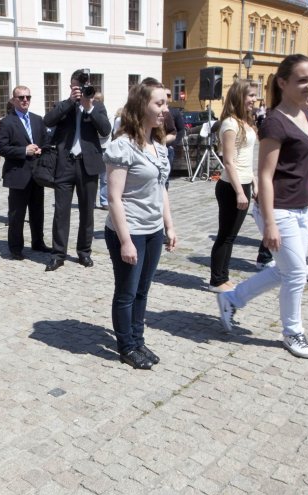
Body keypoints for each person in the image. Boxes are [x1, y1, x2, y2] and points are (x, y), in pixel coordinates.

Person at [217, 54, 308, 359]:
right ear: (283, 82)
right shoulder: (275, 121)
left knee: (287, 270)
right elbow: (264, 174)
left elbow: (304, 169)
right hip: (279, 209)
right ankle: (293, 332)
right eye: (302, 80)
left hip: (301, 207)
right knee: (296, 274)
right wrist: (271, 224)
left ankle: (232, 298)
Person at [102, 80, 177, 370]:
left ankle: (138, 338)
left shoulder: (157, 146)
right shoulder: (123, 146)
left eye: (165, 103)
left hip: (153, 229)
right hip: (129, 229)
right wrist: (125, 241)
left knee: (143, 291)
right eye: (159, 103)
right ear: (141, 105)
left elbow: (162, 189)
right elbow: (113, 197)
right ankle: (126, 346)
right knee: (127, 292)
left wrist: (169, 226)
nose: (165, 110)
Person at [43, 69, 112, 270]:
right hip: (65, 164)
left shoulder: (97, 106)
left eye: (83, 86)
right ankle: (58, 254)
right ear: (71, 86)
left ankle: (84, 252)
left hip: (88, 164)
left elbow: (106, 130)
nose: (80, 90)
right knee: (61, 212)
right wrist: (70, 102)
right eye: (76, 86)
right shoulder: (65, 105)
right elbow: (48, 120)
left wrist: (88, 107)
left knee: (87, 212)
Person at [208, 80, 259, 293]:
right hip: (231, 186)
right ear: (239, 97)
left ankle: (223, 276)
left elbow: (247, 158)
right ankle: (217, 280)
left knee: (231, 235)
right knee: (225, 234)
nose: (254, 100)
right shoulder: (230, 124)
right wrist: (240, 191)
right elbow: (229, 161)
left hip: (244, 182)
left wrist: (254, 181)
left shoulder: (245, 122)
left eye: (255, 96)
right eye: (250, 96)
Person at [0, 85, 50, 260]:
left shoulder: (37, 119)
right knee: (17, 214)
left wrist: (42, 149)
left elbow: (46, 141)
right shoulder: (6, 122)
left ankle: (38, 242)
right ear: (14, 100)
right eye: (21, 97)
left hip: (36, 175)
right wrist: (23, 151)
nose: (25, 100)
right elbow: (1, 147)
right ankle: (16, 247)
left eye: (28, 97)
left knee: (37, 211)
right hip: (18, 174)